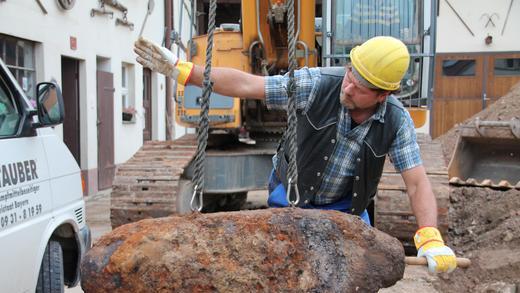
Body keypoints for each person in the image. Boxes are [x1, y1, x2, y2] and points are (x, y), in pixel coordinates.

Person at [134, 36, 457, 274]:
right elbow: (249, 84)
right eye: (348, 76)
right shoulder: (317, 84)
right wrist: (183, 70)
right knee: (282, 272)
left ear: (383, 94)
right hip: (290, 197)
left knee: (350, 276)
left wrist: (429, 237)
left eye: (359, 88)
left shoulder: (396, 121)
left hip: (346, 209)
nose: (347, 88)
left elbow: (416, 184)